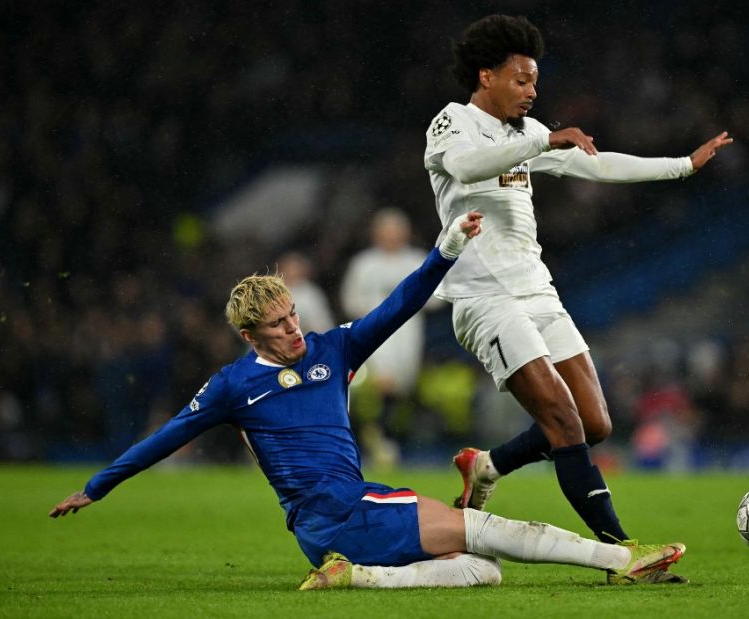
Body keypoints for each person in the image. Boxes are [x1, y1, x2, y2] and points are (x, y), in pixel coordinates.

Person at [48, 212, 687, 589]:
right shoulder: (231, 385)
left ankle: (364, 575)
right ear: (250, 336)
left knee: (482, 570)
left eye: (293, 316)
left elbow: (399, 305)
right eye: (277, 326)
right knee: (487, 530)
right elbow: (166, 437)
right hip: (343, 509)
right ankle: (620, 559)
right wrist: (98, 487)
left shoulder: (333, 350)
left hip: (325, 526)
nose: (294, 330)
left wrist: (443, 254)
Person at [423, 13, 732, 557]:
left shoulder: (530, 132)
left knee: (594, 422)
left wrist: (682, 165)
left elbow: (595, 165)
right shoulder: (452, 123)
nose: (532, 91)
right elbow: (467, 168)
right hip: (485, 298)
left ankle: (487, 465)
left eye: (535, 82)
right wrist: (538, 144)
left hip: (537, 289)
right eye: (521, 80)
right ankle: (620, 549)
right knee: (563, 420)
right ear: (485, 75)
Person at [340, 209, 439, 464]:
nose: (391, 236)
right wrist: (375, 312)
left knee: (401, 387)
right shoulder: (363, 263)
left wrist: (409, 305)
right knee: (382, 382)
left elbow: (437, 296)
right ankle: (378, 437)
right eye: (386, 231)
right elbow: (349, 299)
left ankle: (385, 437)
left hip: (408, 331)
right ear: (376, 233)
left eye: (396, 231)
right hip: (374, 330)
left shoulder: (417, 260)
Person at [275, 251, 336, 334]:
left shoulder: (311, 292)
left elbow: (323, 323)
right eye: (289, 268)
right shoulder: (271, 290)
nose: (292, 272)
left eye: (295, 268)